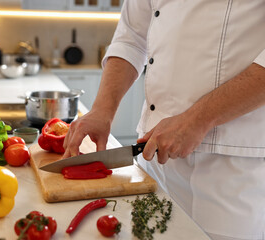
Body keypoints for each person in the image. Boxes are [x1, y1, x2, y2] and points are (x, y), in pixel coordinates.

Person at [62, 1, 265, 239]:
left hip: (231, 167)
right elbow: (131, 39)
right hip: (154, 155)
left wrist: (197, 119)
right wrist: (102, 110)